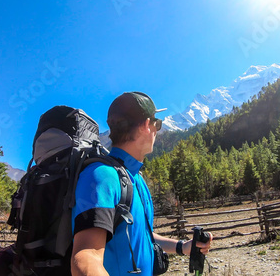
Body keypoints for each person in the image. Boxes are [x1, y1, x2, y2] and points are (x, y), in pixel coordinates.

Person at [71, 92, 213, 275]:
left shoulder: (136, 178)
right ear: (147, 125)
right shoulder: (102, 176)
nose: (157, 130)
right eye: (157, 124)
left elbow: (141, 235)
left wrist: (182, 247)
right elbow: (85, 255)